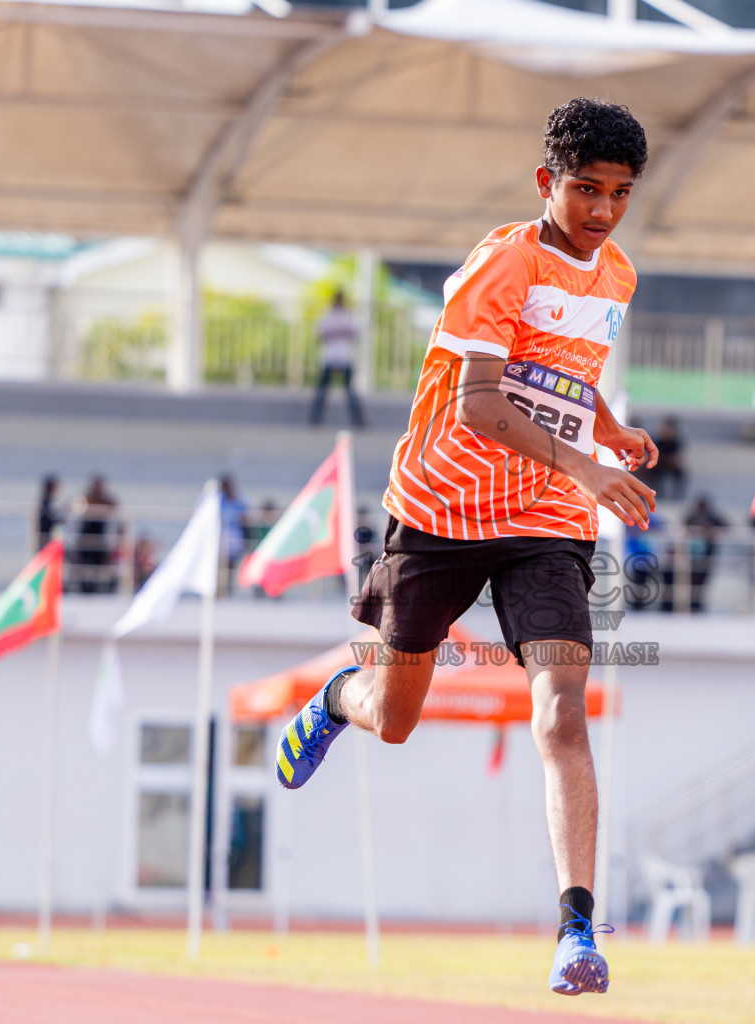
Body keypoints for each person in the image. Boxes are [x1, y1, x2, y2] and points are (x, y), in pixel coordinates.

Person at [271, 99, 655, 997]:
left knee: (562, 713)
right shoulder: (501, 265)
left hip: (546, 524)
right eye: (586, 190)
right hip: (440, 512)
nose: (602, 211)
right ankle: (338, 696)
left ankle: (576, 930)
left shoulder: (619, 275)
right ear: (545, 183)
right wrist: (595, 469)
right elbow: (482, 405)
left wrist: (610, 430)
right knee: (395, 720)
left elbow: (563, 370)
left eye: (621, 194)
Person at [308, 291, 365, 428]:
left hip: (336, 357)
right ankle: (315, 420)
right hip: (336, 357)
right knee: (329, 392)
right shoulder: (341, 316)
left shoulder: (334, 316)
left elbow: (319, 337)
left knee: (345, 393)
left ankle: (316, 421)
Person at [72, 474, 119, 594]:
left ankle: (98, 589)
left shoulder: (104, 499)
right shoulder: (87, 497)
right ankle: (84, 589)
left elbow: (114, 505)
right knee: (83, 565)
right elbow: (79, 506)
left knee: (101, 565)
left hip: (99, 539)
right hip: (86, 538)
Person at [682, 494, 727, 613]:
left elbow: (726, 526)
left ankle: (699, 606)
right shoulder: (692, 517)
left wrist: (711, 530)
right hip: (693, 556)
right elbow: (683, 527)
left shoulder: (713, 517)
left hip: (707, 557)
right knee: (692, 582)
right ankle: (692, 606)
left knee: (702, 583)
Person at [637, 417, 687, 500]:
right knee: (648, 472)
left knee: (680, 475)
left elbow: (677, 458)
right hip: (658, 464)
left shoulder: (675, 442)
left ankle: (676, 498)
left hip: (670, 466)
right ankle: (651, 495)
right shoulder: (658, 441)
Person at [220, 474, 249, 593]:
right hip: (220, 539)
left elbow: (245, 515)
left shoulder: (237, 499)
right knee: (220, 567)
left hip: (234, 539)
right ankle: (220, 591)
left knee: (231, 567)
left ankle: (228, 590)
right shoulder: (216, 499)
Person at [36, 474, 63, 548]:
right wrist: (58, 520)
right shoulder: (46, 500)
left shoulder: (48, 499)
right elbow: (47, 516)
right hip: (45, 533)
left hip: (47, 533)